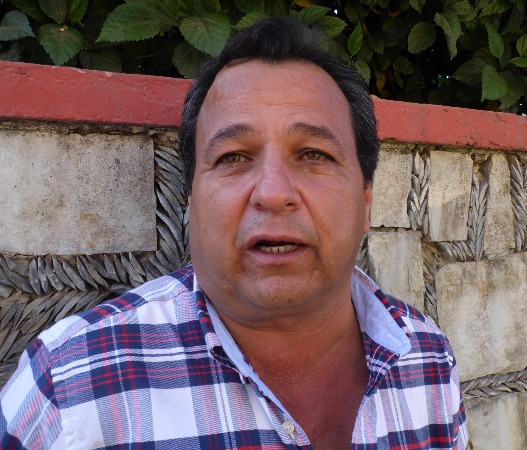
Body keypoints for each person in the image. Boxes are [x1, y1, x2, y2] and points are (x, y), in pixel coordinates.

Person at [0, 17, 468, 449]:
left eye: (313, 154)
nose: (273, 193)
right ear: (191, 200)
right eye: (233, 157)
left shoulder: (426, 357)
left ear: (365, 201)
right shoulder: (68, 390)